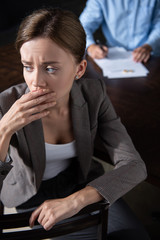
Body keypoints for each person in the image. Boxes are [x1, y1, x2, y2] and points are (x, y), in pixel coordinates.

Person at [0, 7, 150, 240]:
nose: (35, 82)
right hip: (30, 196)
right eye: (28, 66)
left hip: (81, 184)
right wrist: (4, 129)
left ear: (79, 69)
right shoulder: (6, 103)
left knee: (134, 236)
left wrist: (76, 200)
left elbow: (134, 165)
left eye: (50, 68)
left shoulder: (94, 94)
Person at [79, 0, 160, 62]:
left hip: (150, 55)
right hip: (113, 56)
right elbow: (84, 25)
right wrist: (90, 46)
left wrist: (149, 45)